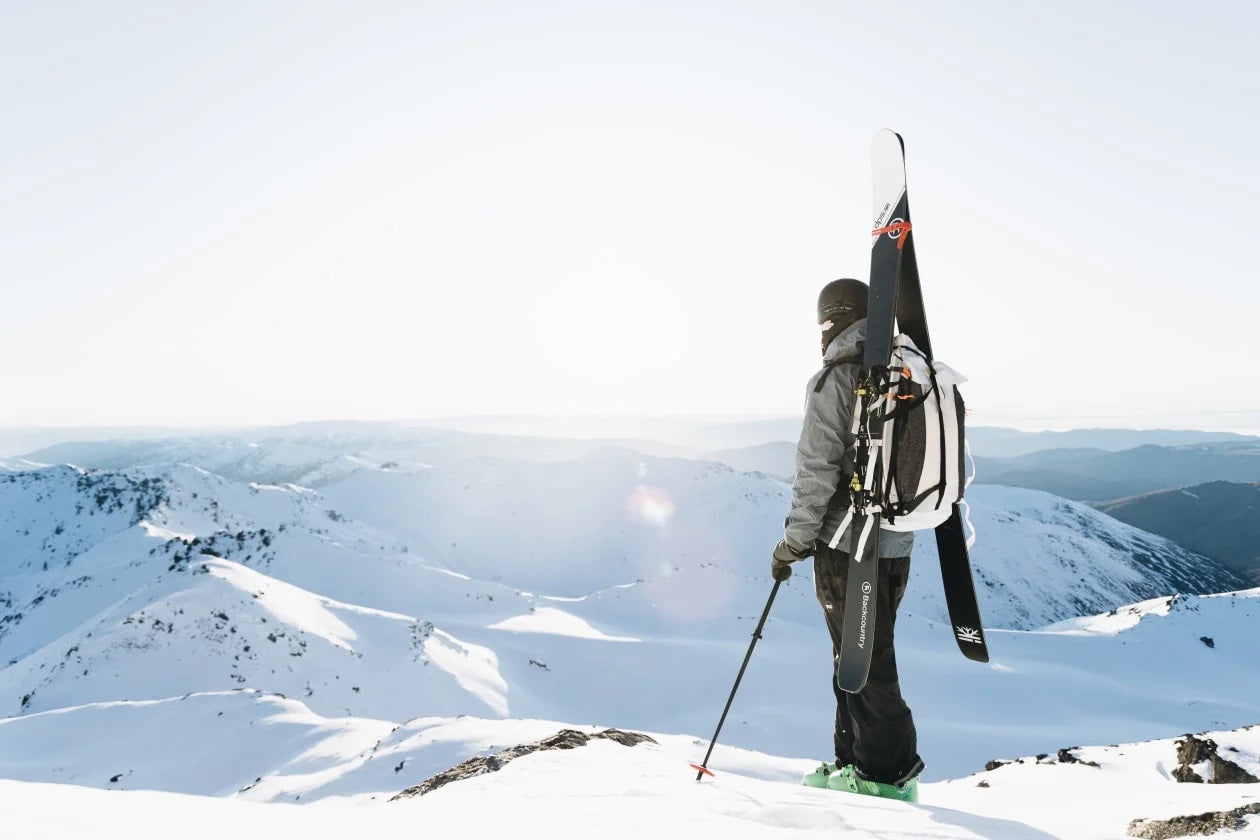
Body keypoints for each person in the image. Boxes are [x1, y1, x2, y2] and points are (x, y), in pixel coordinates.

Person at [769, 277, 924, 803]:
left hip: (845, 545)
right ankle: (854, 764)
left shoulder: (838, 377)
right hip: (897, 544)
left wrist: (791, 544)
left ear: (834, 318)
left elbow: (815, 471)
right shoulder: (906, 372)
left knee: (867, 661)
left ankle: (887, 776)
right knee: (855, 656)